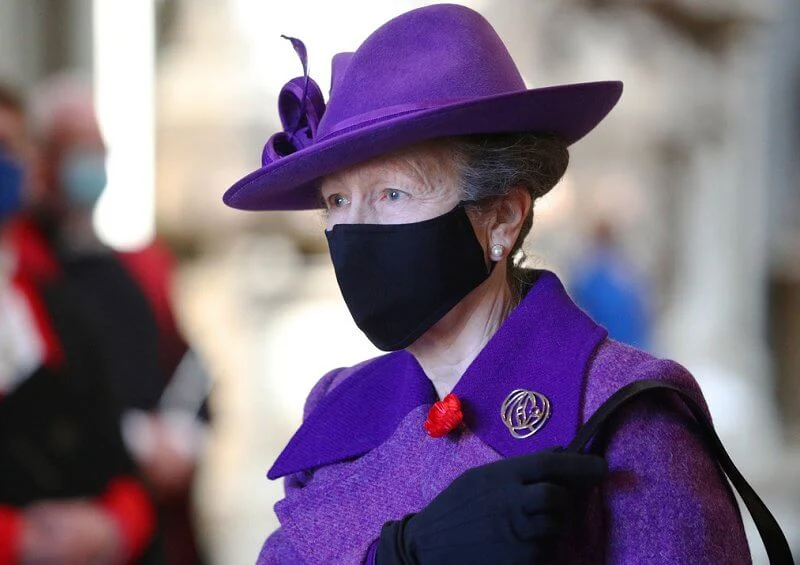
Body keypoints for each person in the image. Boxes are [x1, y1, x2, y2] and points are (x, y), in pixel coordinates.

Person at [223, 5, 750, 564]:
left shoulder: (625, 411)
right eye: (336, 201)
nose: (353, 229)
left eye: (392, 194)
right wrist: (403, 554)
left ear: (501, 217)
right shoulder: (338, 406)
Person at [7, 77, 210, 565]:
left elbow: (188, 367)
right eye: (77, 149)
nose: (91, 165)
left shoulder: (131, 268)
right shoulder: (35, 273)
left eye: (99, 149)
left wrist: (181, 434)